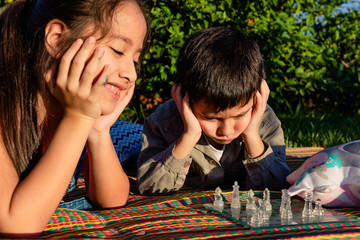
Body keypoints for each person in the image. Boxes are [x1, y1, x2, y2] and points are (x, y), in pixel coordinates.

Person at [0, 0, 149, 236]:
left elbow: (113, 199)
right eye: (118, 50)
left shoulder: (68, 116)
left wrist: (97, 131)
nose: (131, 74)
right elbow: (16, 226)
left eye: (135, 60)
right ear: (57, 38)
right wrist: (78, 116)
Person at [137, 27, 291, 196]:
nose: (226, 131)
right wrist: (189, 135)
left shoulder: (265, 120)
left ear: (258, 95)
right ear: (182, 96)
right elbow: (148, 186)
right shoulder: (162, 123)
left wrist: (252, 135)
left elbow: (280, 187)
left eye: (240, 115)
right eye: (210, 118)